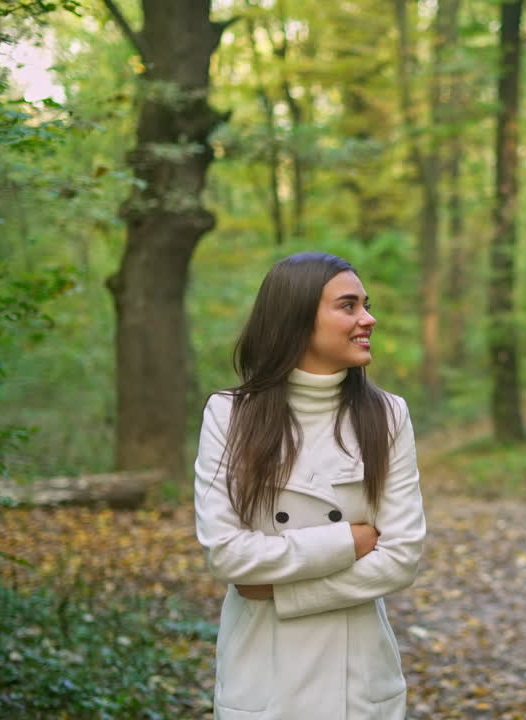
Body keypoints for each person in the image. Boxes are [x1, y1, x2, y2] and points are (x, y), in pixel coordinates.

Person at [194, 252, 425, 720]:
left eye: (366, 305)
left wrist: (283, 592)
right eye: (348, 306)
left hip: (357, 680)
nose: (368, 319)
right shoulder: (229, 415)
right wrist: (350, 541)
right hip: (263, 677)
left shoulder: (387, 415)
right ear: (296, 318)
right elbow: (226, 555)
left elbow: (401, 558)